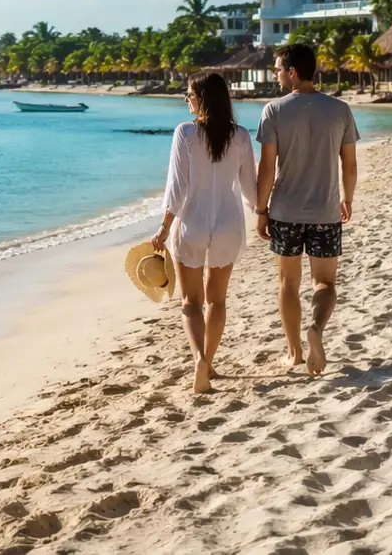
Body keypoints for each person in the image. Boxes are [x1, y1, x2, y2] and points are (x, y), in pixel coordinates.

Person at [254, 42, 359, 377]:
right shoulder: (340, 110)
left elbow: (267, 169)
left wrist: (260, 209)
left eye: (278, 69)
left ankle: (294, 352)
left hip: (285, 211)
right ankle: (315, 327)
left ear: (293, 73)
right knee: (325, 284)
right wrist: (348, 198)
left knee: (287, 282)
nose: (276, 74)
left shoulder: (273, 110)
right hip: (326, 210)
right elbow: (350, 166)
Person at [150, 71, 257, 393]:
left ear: (201, 99)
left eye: (189, 95)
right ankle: (209, 364)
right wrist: (264, 215)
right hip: (228, 225)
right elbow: (250, 188)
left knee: (191, 302)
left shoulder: (185, 133)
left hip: (191, 224)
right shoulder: (239, 136)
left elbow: (177, 189)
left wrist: (164, 227)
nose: (187, 100)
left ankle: (198, 359)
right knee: (217, 301)